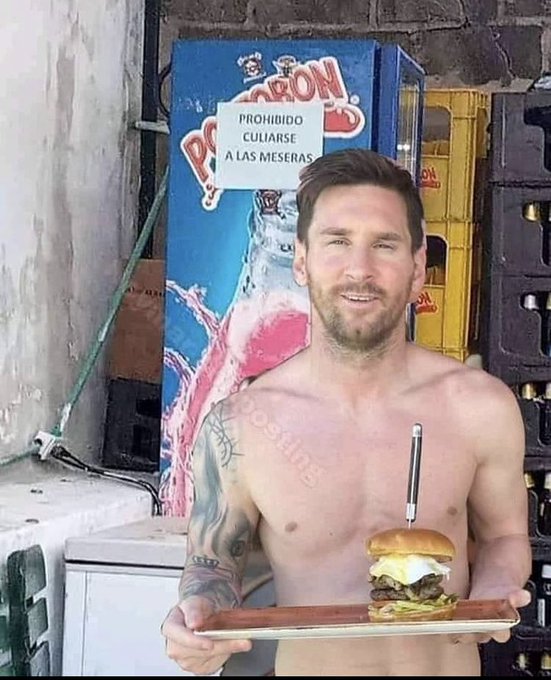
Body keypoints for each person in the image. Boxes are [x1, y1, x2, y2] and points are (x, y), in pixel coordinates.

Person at [161, 148, 531, 676]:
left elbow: (504, 537)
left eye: (384, 245)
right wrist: (199, 619)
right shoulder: (241, 426)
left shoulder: (479, 407)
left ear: (418, 268)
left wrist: (495, 588)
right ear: (301, 261)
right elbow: (212, 565)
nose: (360, 270)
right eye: (337, 242)